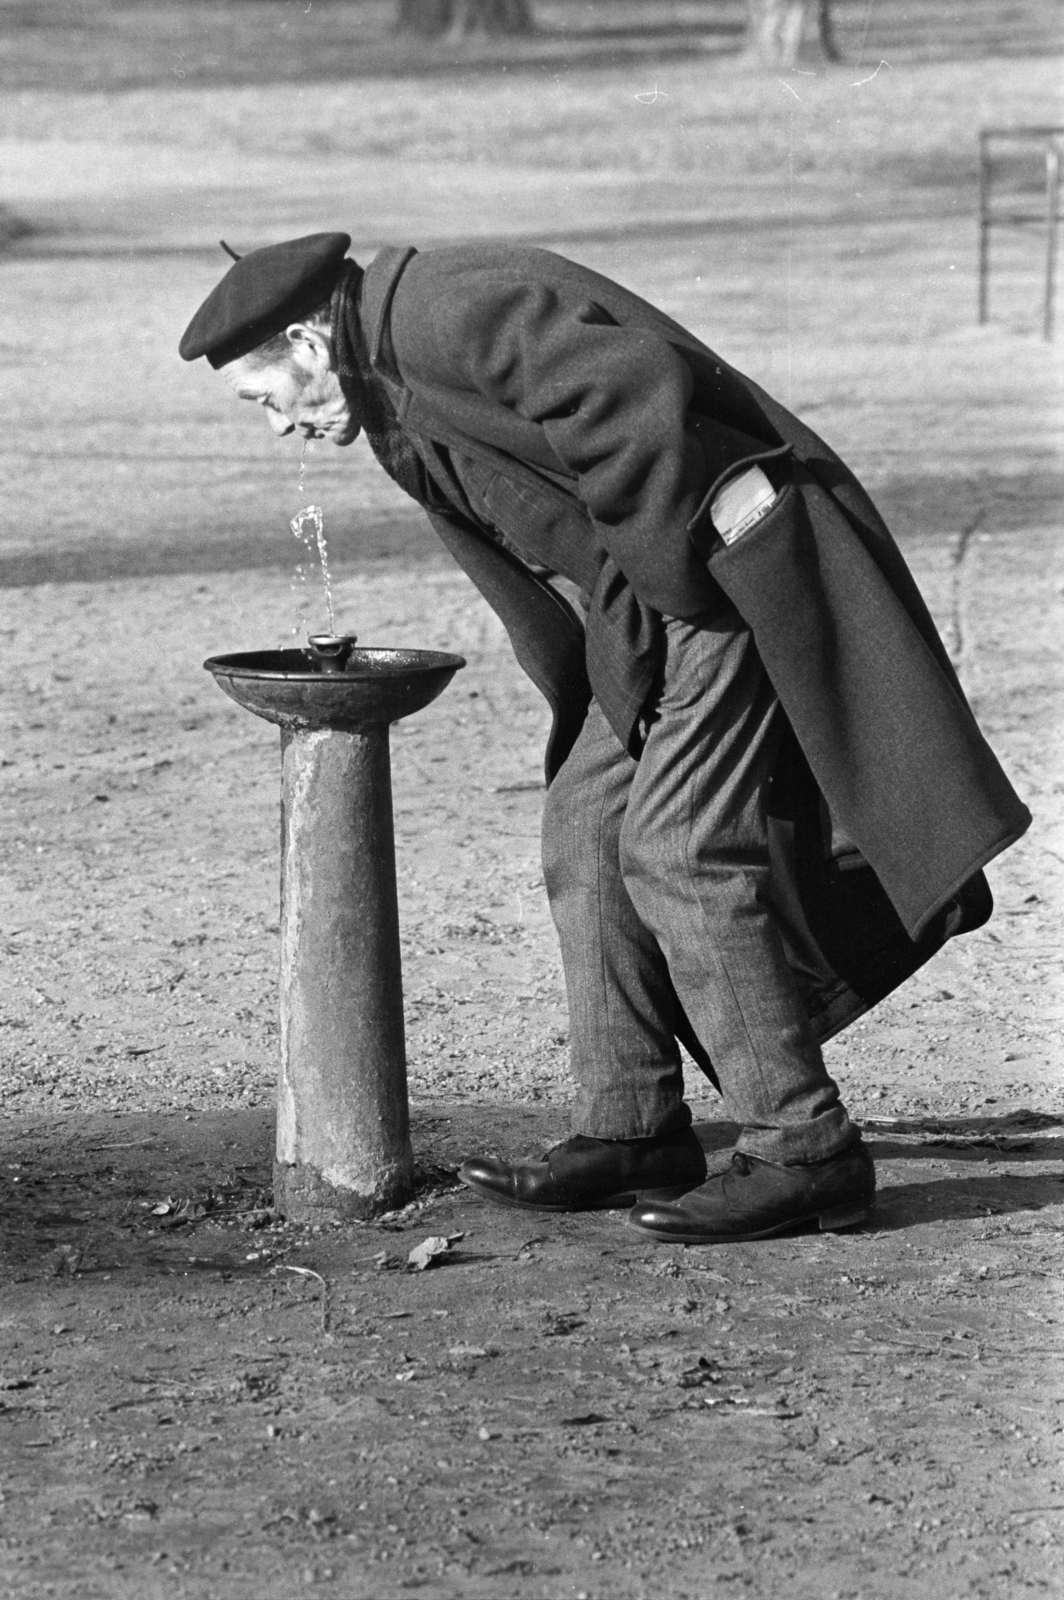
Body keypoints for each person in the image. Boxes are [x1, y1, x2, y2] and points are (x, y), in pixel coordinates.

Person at [179, 232, 1030, 1245]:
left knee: (678, 851)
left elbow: (635, 385)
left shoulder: (440, 311)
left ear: (309, 341)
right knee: (582, 828)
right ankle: (632, 1126)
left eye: (266, 396)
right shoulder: (387, 368)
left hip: (715, 573)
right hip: (650, 604)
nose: (279, 426)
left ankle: (803, 1147)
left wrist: (668, 586)